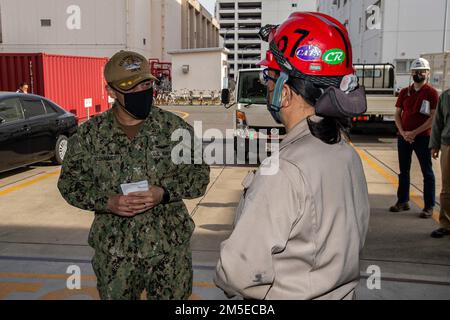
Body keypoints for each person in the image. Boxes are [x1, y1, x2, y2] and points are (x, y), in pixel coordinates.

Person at [214, 12, 370, 300]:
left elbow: (237, 272)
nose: (266, 85)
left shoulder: (284, 169)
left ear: (285, 92)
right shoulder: (345, 152)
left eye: (268, 77)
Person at [57, 50, 210, 300]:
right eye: (132, 86)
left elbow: (199, 176)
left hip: (169, 250)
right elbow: (70, 184)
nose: (143, 92)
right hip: (115, 253)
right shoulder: (89, 136)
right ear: (111, 92)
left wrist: (164, 193)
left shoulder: (174, 129)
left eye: (147, 83)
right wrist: (107, 202)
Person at [390, 58, 438, 218]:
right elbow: (397, 114)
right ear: (411, 73)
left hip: (423, 137)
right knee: (404, 171)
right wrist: (403, 132)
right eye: (416, 71)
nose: (418, 74)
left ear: (428, 73)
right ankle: (402, 201)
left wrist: (414, 133)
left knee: (427, 172)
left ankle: (429, 206)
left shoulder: (431, 93)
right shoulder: (404, 92)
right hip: (404, 137)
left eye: (422, 71)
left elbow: (432, 118)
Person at [429, 89, 450, 238]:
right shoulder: (446, 96)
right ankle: (445, 224)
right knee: (447, 187)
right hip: (448, 145)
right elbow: (438, 121)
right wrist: (435, 145)